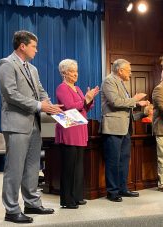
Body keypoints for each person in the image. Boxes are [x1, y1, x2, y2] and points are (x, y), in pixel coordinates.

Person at [0, 30, 63, 223]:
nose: (37, 50)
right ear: (22, 46)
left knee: (33, 167)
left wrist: (49, 105)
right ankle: (11, 209)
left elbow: (40, 91)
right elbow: (11, 94)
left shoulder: (32, 69)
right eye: (34, 46)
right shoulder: (6, 64)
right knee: (14, 168)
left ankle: (32, 203)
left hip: (35, 123)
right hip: (16, 124)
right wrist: (39, 105)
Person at [101, 58, 149, 202]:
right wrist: (136, 100)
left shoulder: (121, 83)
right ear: (120, 70)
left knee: (123, 160)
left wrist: (143, 114)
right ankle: (112, 191)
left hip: (125, 128)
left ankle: (122, 188)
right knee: (113, 161)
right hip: (113, 128)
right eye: (128, 70)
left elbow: (126, 111)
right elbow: (115, 102)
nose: (131, 73)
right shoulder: (109, 81)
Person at [55, 59, 99, 209]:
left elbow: (86, 108)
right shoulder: (62, 88)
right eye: (72, 71)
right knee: (69, 167)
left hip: (80, 128)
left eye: (76, 71)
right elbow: (69, 107)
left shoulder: (78, 89)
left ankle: (77, 196)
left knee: (79, 165)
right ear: (64, 73)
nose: (75, 74)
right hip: (69, 129)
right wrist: (85, 100)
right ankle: (67, 200)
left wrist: (90, 99)